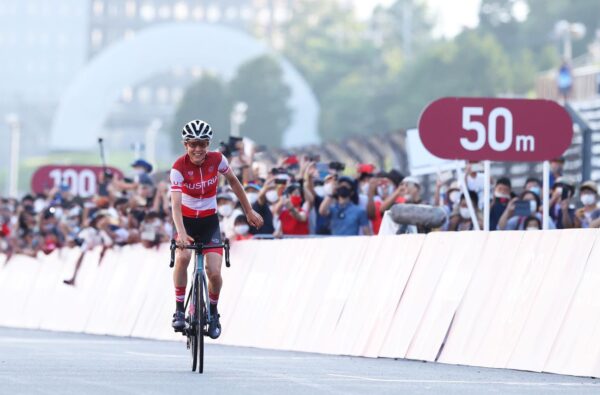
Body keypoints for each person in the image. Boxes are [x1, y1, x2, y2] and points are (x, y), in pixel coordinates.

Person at [170, 119, 263, 338]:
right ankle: (179, 310)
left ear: (208, 144)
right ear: (185, 145)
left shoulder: (218, 160)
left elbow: (235, 183)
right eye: (193, 144)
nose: (198, 149)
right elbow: (175, 204)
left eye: (202, 144)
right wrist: (181, 233)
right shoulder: (178, 167)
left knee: (214, 272)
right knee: (183, 259)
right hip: (187, 222)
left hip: (210, 222)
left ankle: (213, 312)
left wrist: (249, 211)